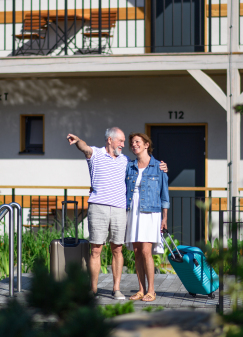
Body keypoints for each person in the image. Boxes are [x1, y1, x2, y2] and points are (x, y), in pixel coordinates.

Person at [67, 127, 167, 300]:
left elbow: (157, 184)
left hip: (124, 209)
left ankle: (119, 289)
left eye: (125, 142)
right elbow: (85, 148)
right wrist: (78, 142)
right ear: (109, 140)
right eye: (121, 141)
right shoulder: (101, 155)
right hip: (104, 207)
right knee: (98, 249)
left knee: (120, 249)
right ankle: (94, 290)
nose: (124, 145)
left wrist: (162, 166)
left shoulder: (128, 161)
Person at [124, 133, 169, 302]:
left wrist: (164, 218)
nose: (134, 144)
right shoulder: (130, 166)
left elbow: (164, 195)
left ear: (146, 144)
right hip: (133, 211)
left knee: (146, 251)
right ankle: (141, 290)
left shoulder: (159, 166)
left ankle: (151, 290)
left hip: (150, 212)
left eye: (137, 142)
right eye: (132, 143)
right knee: (136, 252)